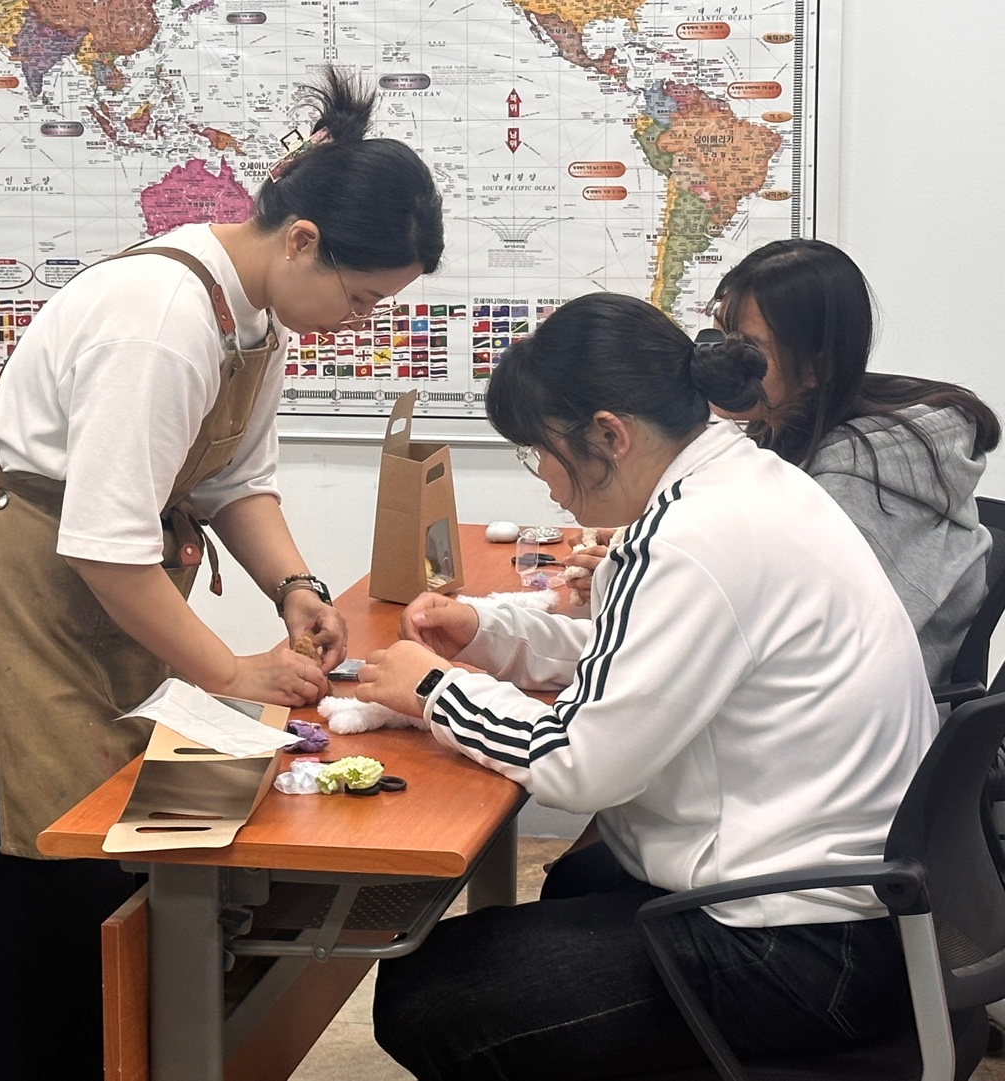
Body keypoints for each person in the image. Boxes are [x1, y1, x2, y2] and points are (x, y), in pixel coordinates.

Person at [0, 66, 444, 1078]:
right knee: (50, 883)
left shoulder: (256, 315)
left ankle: (147, 1054)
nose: (360, 319)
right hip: (23, 615)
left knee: (132, 855)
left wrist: (295, 589)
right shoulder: (161, 319)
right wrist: (232, 672)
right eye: (360, 296)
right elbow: (102, 543)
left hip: (114, 597)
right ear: (300, 240)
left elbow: (233, 480)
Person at [359, 292, 937, 1079]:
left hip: (804, 948)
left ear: (610, 435)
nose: (549, 484)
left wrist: (435, 688)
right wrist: (487, 632)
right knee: (575, 880)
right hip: (860, 908)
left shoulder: (688, 538)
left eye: (541, 453)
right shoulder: (746, 482)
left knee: (427, 997)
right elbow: (643, 657)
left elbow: (579, 764)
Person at [709, 239, 999, 687]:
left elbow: (809, 641)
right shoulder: (785, 432)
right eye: (718, 338)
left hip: (876, 711)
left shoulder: (853, 485)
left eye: (746, 348)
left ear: (814, 368)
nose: (721, 361)